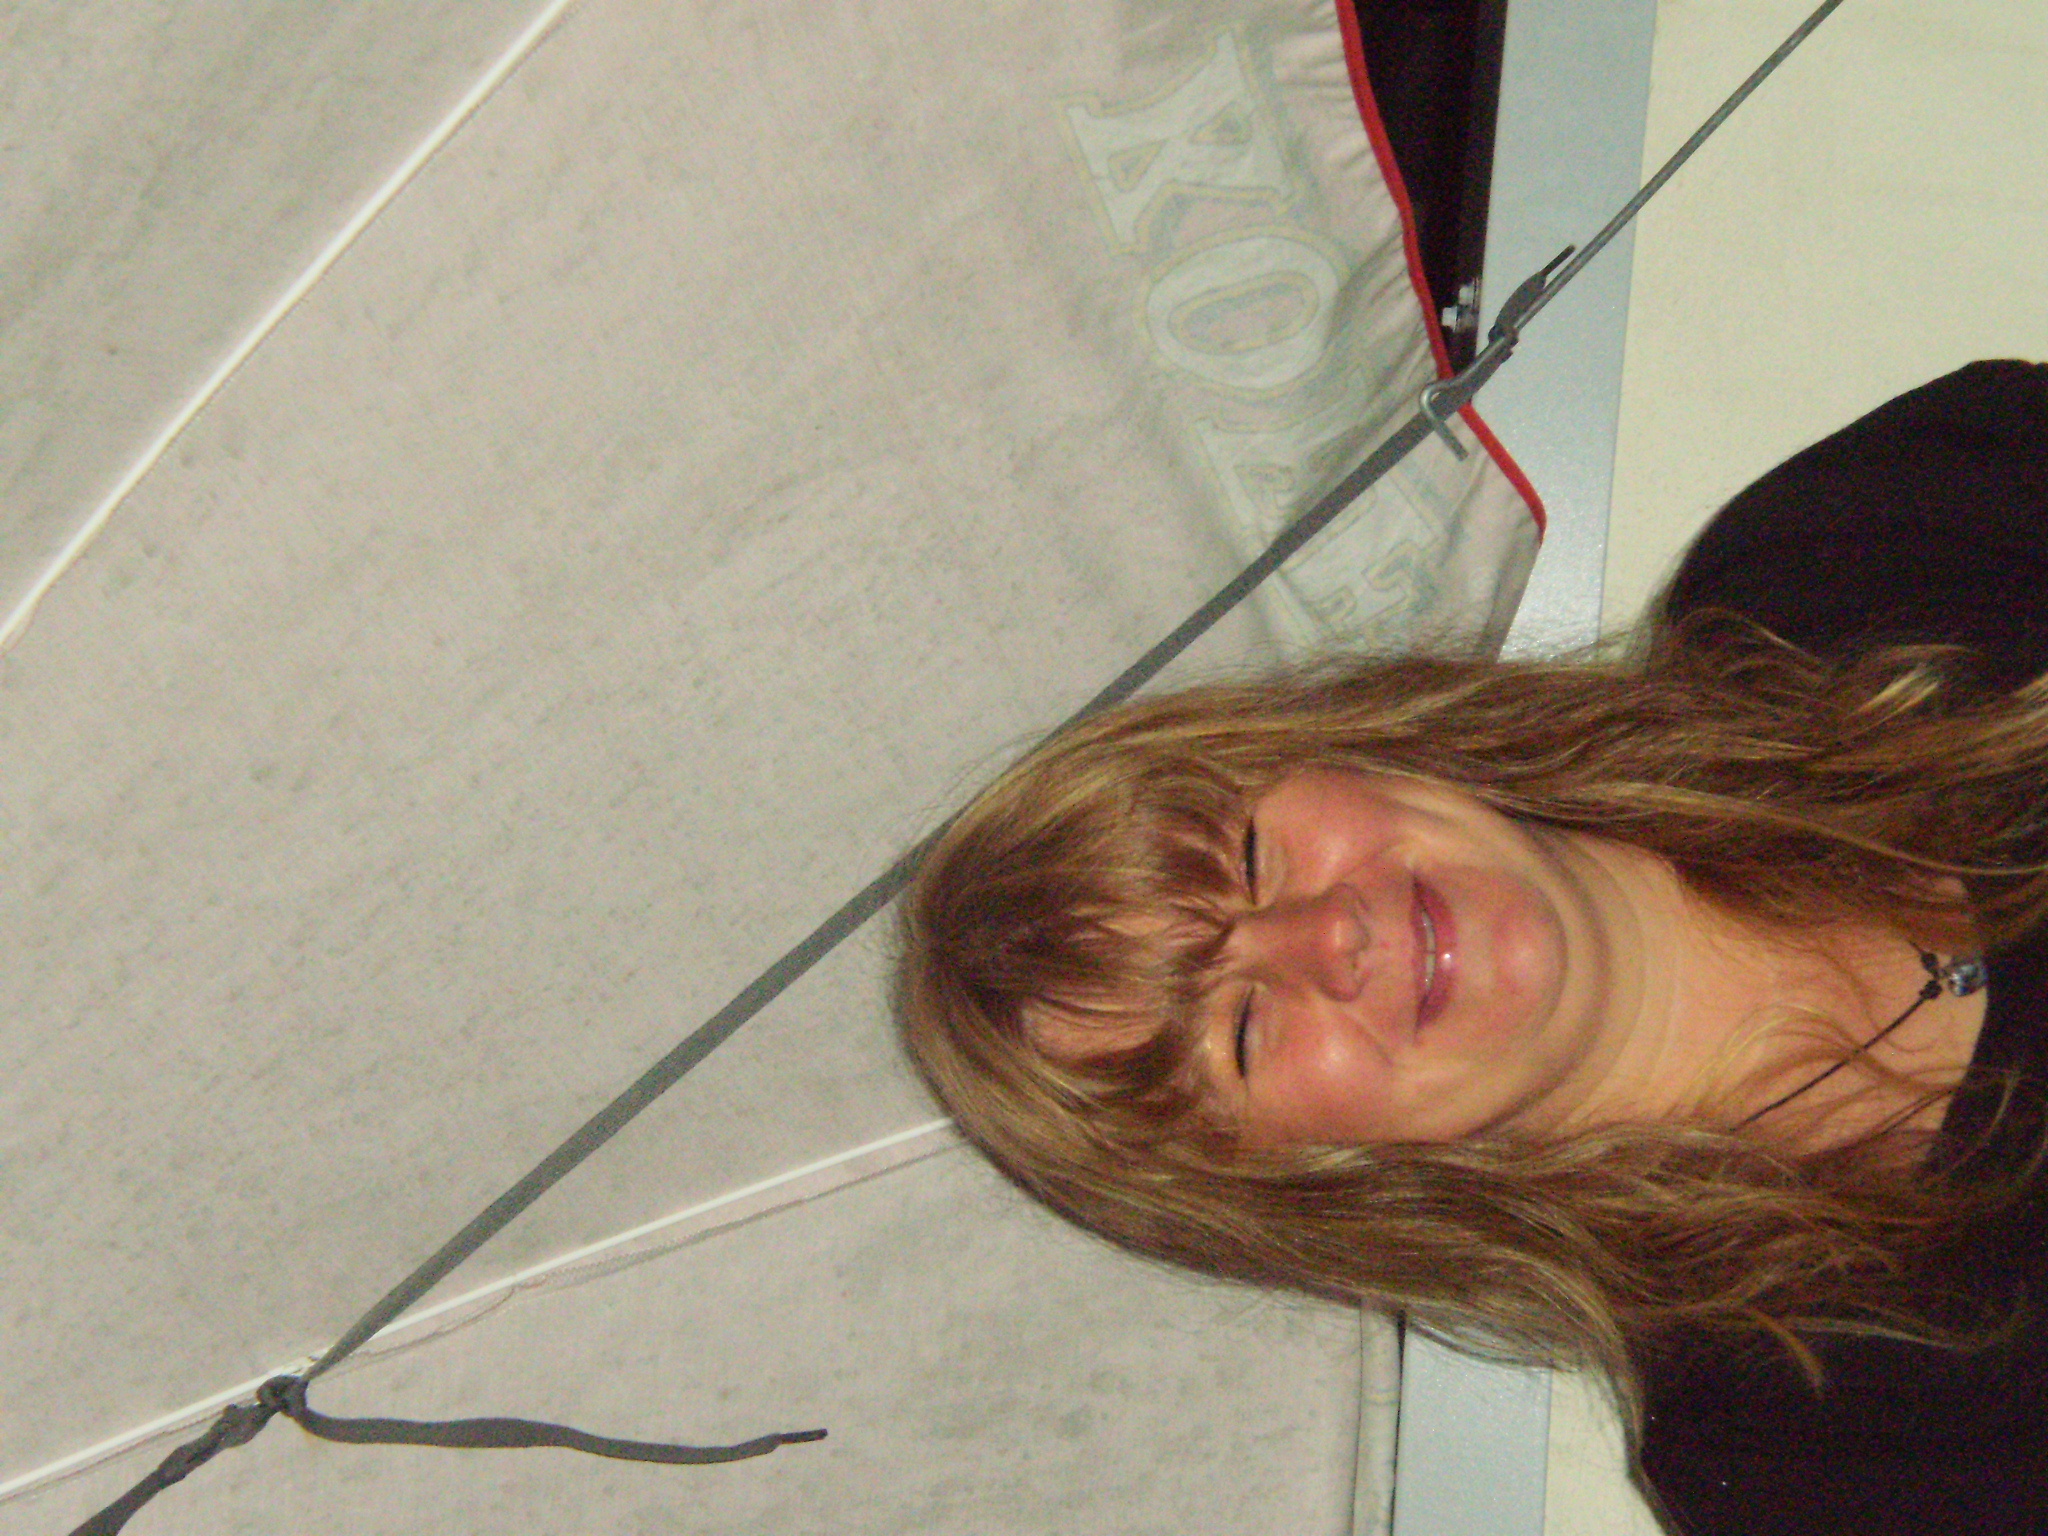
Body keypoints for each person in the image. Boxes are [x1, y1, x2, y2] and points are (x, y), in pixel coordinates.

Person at [895, 360, 2048, 1534]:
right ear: (1290, 1182)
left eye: (1246, 855)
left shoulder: (1842, 558)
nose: (1324, 937)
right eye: (1241, 1030)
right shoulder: (1803, 1455)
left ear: (1318, 744)